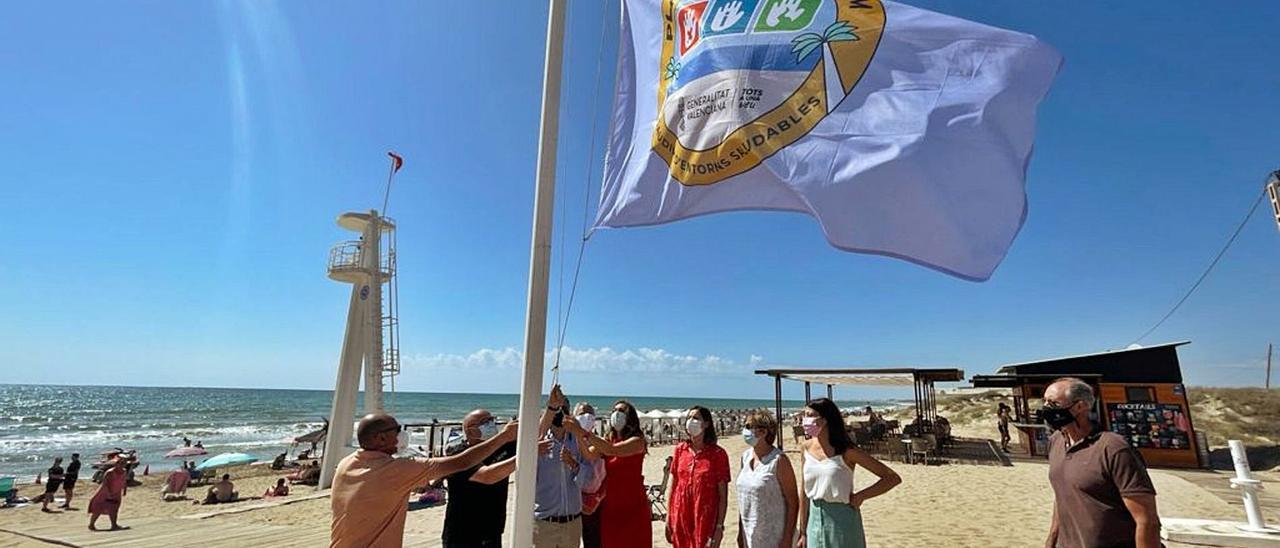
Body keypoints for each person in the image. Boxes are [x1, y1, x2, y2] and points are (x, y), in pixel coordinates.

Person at [331, 412, 518, 548]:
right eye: (397, 430)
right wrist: (504, 436)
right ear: (381, 438)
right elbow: (462, 462)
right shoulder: (398, 470)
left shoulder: (345, 464)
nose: (401, 435)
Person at [1041, 378, 1160, 548]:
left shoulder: (1113, 448)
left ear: (1080, 407)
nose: (1046, 408)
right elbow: (1063, 495)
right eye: (1044, 402)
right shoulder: (1056, 442)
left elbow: (1147, 520)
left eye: (1053, 403)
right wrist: (1051, 539)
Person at [799, 398, 901, 548]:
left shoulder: (847, 452)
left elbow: (891, 478)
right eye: (804, 415)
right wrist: (802, 531)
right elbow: (803, 491)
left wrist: (861, 496)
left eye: (811, 415)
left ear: (826, 419)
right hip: (814, 520)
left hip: (842, 521)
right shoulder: (805, 448)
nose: (805, 420)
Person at [441, 408, 518, 548]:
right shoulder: (458, 453)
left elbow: (536, 436)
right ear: (470, 431)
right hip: (462, 536)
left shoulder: (502, 447)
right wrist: (522, 456)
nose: (491, 424)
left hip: (492, 533)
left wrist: (551, 409)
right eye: (484, 422)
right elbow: (487, 476)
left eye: (491, 419)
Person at [532, 386, 597, 547]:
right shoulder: (539, 442)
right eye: (557, 408)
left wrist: (574, 464)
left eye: (564, 409)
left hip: (572, 523)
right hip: (544, 524)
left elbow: (590, 478)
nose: (560, 412)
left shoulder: (577, 441)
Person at [580, 399, 650, 548]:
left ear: (630, 417)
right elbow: (588, 454)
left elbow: (613, 451)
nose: (617, 414)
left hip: (633, 506)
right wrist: (577, 434)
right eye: (614, 410)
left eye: (622, 411)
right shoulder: (608, 440)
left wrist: (584, 433)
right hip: (611, 506)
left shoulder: (638, 441)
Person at [665, 406, 730, 548]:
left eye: (695, 418)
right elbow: (673, 485)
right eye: (689, 418)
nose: (691, 421)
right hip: (681, 515)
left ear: (706, 424)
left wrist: (719, 527)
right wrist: (668, 516)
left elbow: (723, 495)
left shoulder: (718, 454)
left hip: (705, 518)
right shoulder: (680, 450)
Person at [737, 410, 799, 548]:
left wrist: (787, 538)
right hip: (749, 534)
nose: (745, 431)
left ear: (763, 432)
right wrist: (740, 532)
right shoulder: (745, 457)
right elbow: (743, 498)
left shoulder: (779, 461)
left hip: (774, 535)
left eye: (748, 427)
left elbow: (793, 502)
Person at [574, 402, 608, 548]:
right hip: (571, 502)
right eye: (582, 414)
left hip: (593, 504)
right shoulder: (568, 440)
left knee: (593, 540)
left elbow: (601, 476)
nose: (586, 417)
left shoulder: (600, 442)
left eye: (590, 414)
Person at [87, 458, 128, 531]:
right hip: (105, 492)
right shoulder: (110, 472)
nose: (122, 465)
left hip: (117, 492)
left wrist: (124, 489)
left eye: (124, 463)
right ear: (116, 464)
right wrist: (108, 493)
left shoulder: (124, 471)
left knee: (114, 509)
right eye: (121, 463)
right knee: (98, 509)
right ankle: (91, 524)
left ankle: (114, 525)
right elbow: (105, 483)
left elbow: (124, 481)